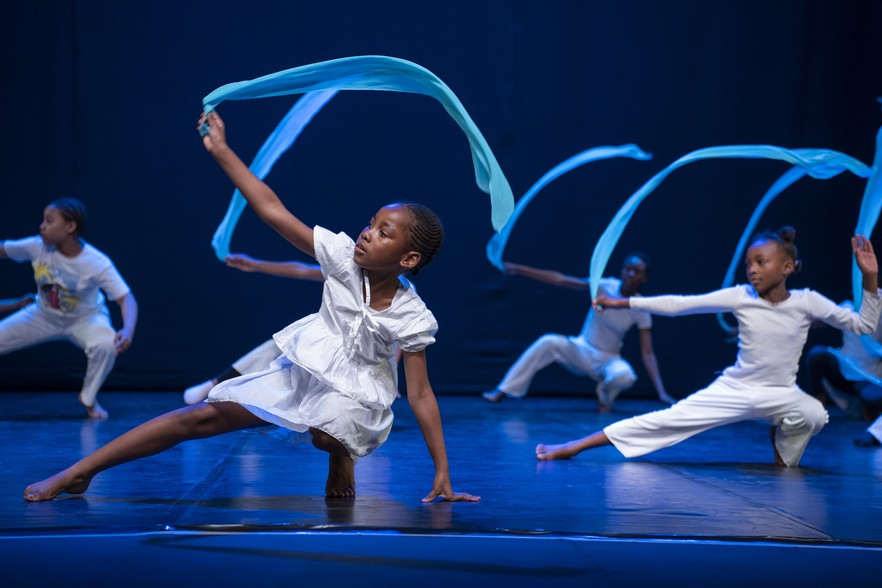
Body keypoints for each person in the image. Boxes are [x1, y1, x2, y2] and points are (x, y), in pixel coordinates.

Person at [23, 110, 478, 503]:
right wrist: (222, 150)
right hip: (303, 372)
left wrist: (443, 472)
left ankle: (341, 455)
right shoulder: (342, 259)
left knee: (327, 433)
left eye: (383, 232)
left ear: (408, 259)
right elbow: (272, 211)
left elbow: (420, 394)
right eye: (370, 223)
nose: (366, 232)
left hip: (357, 398)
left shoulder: (411, 315)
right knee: (200, 417)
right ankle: (80, 471)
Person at [535, 227, 881, 467]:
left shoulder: (808, 301)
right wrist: (620, 303)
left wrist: (869, 278)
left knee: (813, 414)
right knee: (666, 420)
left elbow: (863, 325)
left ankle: (782, 457)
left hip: (780, 392)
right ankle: (574, 446)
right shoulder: (741, 296)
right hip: (735, 389)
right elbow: (679, 304)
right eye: (749, 263)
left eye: (761, 262)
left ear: (787, 267)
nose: (752, 270)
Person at [1, 198, 138, 419]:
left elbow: (126, 298)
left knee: (106, 344)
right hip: (42, 315)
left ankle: (88, 398)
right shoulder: (37, 246)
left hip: (85, 319)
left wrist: (128, 329)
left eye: (49, 221)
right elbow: (3, 250)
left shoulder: (96, 262)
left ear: (70, 226)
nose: (42, 226)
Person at [482, 256, 673, 412]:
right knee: (548, 341)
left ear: (644, 278)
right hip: (581, 350)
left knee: (625, 375)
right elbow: (561, 280)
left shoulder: (641, 307)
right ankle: (503, 390)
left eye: (637, 271)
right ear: (622, 271)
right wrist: (518, 268)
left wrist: (661, 392)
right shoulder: (605, 286)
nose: (631, 274)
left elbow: (647, 353)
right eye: (628, 269)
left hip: (608, 360)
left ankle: (605, 396)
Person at [182, 253, 323, 405]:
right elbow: (304, 270)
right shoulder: (340, 266)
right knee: (285, 342)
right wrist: (255, 264)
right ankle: (220, 383)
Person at [804, 300, 882, 421]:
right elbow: (820, 320)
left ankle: (867, 409)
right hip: (845, 370)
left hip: (869, 376)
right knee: (817, 355)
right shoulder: (847, 308)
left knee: (871, 399)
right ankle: (818, 406)